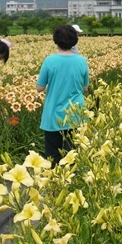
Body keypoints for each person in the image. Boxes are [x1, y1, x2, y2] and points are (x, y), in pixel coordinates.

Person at [36, 25, 90, 168]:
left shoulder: (49, 61)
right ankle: (71, 186)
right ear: (75, 41)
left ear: (56, 41)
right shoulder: (82, 61)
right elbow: (85, 88)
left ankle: (54, 186)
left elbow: (39, 88)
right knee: (72, 156)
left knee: (52, 157)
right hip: (76, 114)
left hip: (53, 114)